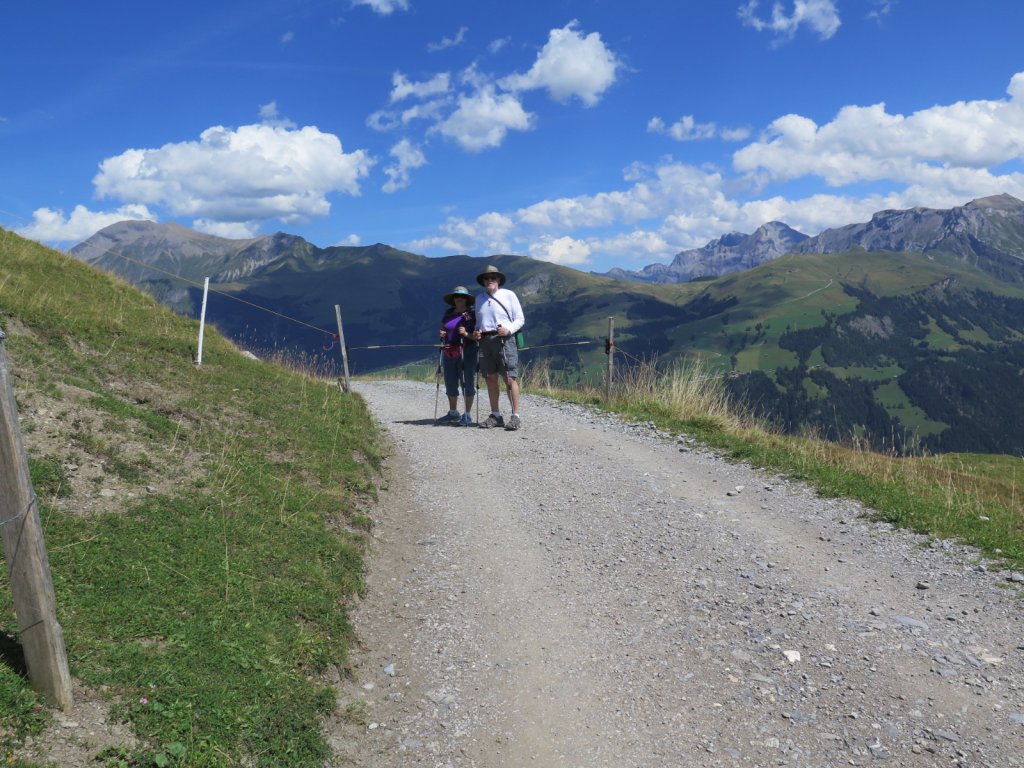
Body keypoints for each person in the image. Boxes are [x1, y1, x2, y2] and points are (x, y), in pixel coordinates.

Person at [472, 265, 524, 431]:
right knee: (490, 377)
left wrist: (508, 330)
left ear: (499, 280)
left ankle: (515, 416)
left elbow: (520, 319)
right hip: (485, 340)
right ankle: (496, 415)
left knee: (509, 378)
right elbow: (478, 321)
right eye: (486, 279)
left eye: (492, 278)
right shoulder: (479, 298)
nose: (489, 281)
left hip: (504, 339)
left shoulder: (509, 295)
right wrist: (477, 331)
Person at [437, 286, 478, 426]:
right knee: (450, 381)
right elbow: (443, 326)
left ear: (466, 300)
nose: (459, 299)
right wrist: (442, 332)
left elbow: (477, 336)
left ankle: (467, 415)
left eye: (462, 297)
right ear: (453, 299)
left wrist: (466, 334)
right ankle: (453, 412)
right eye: (457, 297)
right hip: (449, 350)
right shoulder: (449, 313)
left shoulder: (471, 315)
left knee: (467, 381)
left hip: (467, 351)